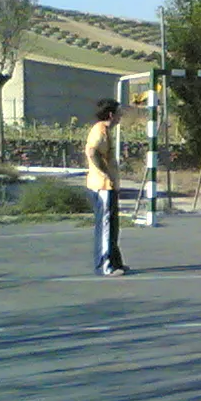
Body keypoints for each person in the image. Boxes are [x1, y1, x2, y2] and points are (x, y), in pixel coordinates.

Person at [85, 98, 127, 276]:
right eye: (119, 113)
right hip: (102, 186)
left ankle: (115, 261)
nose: (121, 116)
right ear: (111, 114)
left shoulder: (107, 131)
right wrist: (105, 173)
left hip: (109, 186)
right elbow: (92, 152)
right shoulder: (100, 130)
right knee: (105, 226)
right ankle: (105, 265)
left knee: (113, 227)